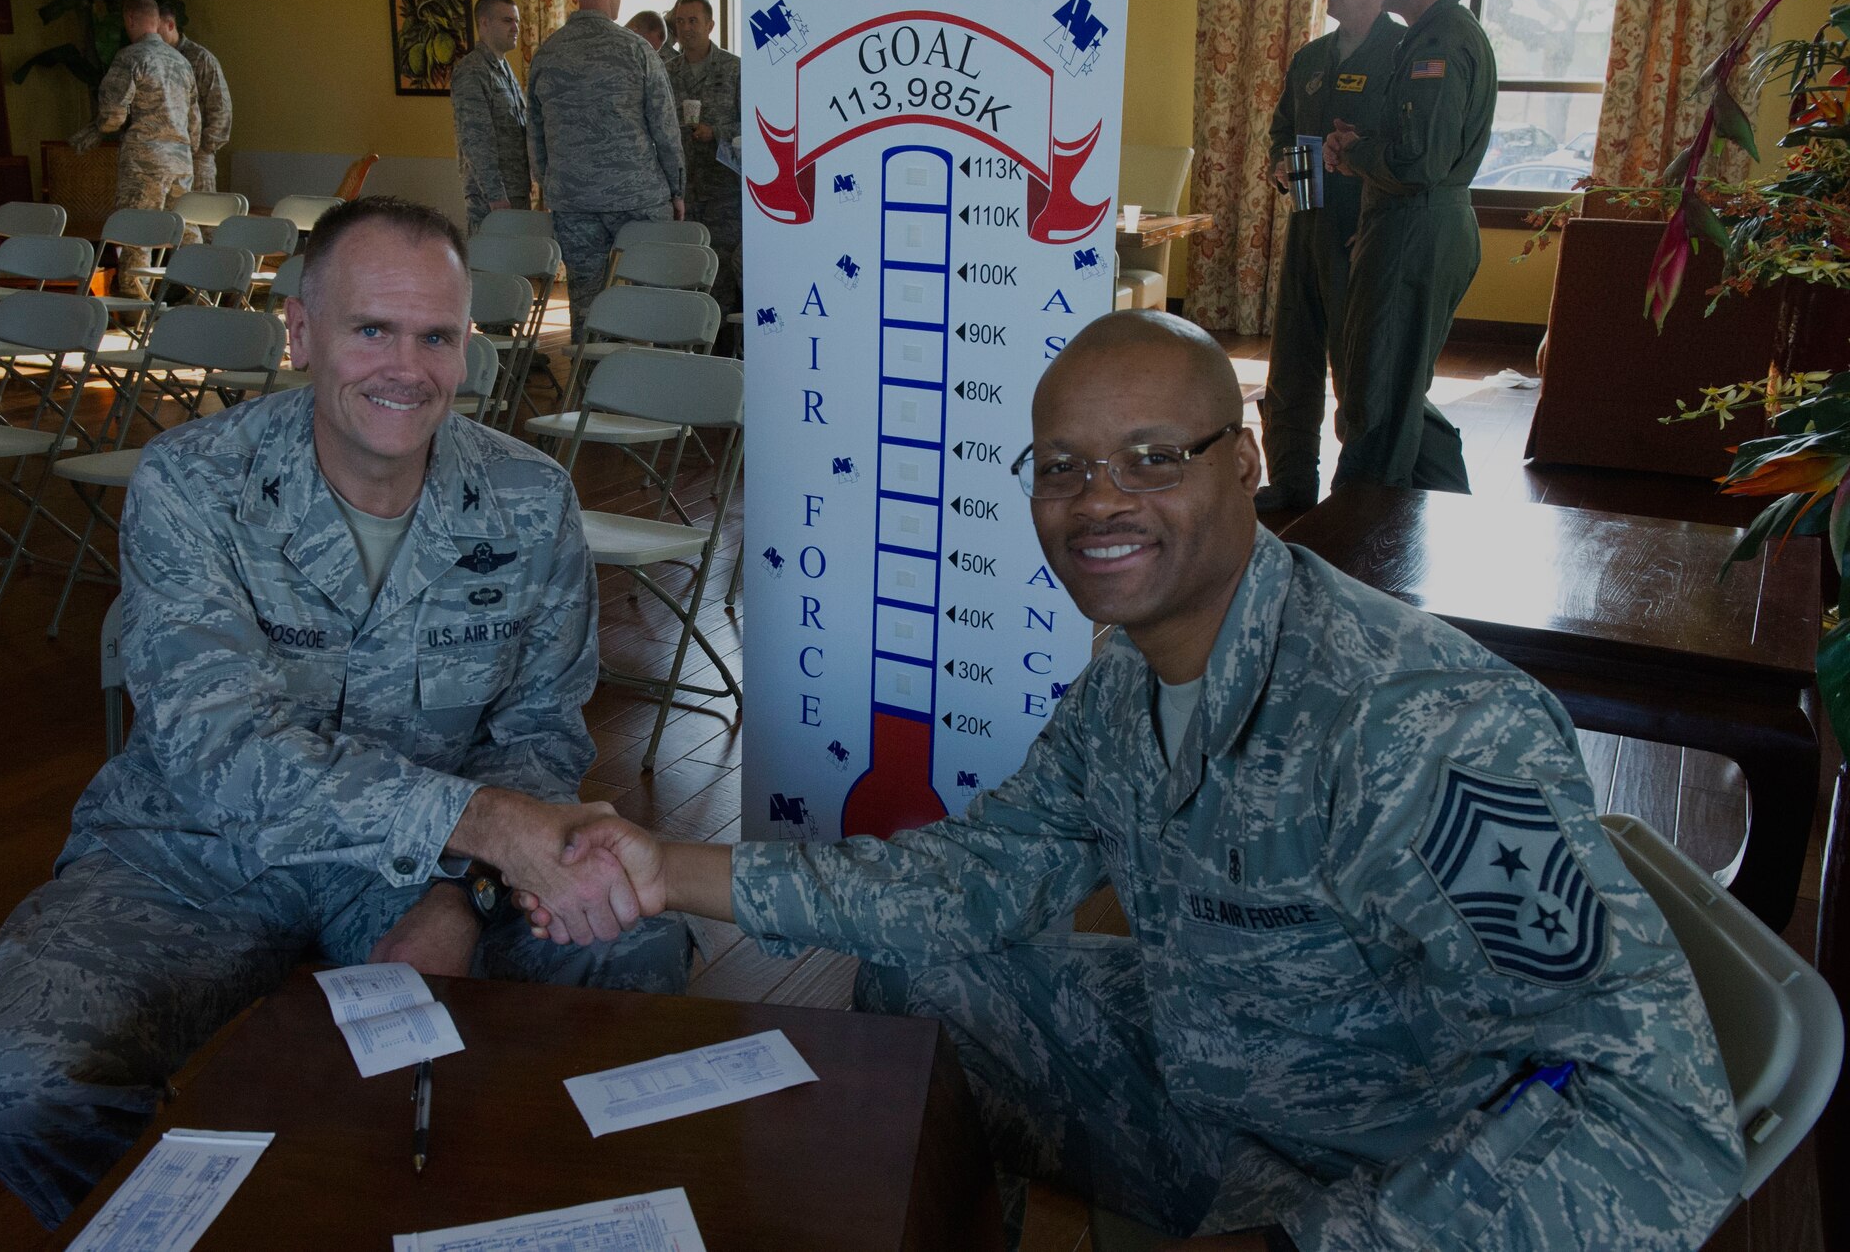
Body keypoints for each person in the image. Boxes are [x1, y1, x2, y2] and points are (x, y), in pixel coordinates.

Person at [527, 311, 1746, 1251]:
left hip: (1365, 1174)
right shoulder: (1124, 683)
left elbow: (1652, 1116)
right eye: (1061, 467)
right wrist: (661, 868)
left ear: (1244, 462)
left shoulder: (1407, 721)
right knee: (918, 970)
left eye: (1150, 458)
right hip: (1202, 1073)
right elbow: (970, 880)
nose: (1098, 501)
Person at [0, 197, 691, 1229]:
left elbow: (539, 733)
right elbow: (225, 754)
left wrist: (460, 898)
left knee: (634, 952)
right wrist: (483, 828)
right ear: (300, 332)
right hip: (190, 856)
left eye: (435, 335)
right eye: (370, 328)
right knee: (14, 1088)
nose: (406, 366)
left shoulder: (527, 498)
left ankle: (493, 1197)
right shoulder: (193, 484)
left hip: (417, 873)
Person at [1324, 0, 1496, 494]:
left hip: (1415, 226)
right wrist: (1365, 143)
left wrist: (1356, 151)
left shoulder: (1440, 43)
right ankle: (1450, 503)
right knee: (1399, 387)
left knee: (1376, 396)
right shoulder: (1429, 33)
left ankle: (1359, 540)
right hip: (1413, 223)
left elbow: (1420, 161)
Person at [1254, 0, 1403, 513]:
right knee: (1291, 359)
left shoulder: (1400, 54)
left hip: (1362, 235)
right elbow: (1282, 131)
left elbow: (1405, 152)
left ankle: (1358, 490)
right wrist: (1277, 167)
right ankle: (1291, 480)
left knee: (1358, 368)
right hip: (1308, 223)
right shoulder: (1311, 59)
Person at [526, 0, 686, 330]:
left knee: (585, 296)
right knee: (650, 291)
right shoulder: (636, 50)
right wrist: (677, 189)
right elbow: (664, 127)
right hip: (637, 198)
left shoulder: (546, 54)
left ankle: (589, 379)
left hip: (573, 199)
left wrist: (552, 183)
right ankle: (644, 374)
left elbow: (534, 133)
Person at [69, 0, 198, 297]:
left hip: (144, 161)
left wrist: (99, 129)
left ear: (129, 18)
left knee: (137, 234)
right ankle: (205, 295)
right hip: (181, 161)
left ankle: (133, 309)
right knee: (187, 232)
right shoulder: (181, 62)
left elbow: (113, 113)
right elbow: (195, 122)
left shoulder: (130, 57)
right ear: (157, 20)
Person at [666, 0, 742, 347]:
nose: (686, 29)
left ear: (710, 25)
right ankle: (687, 350)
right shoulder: (667, 72)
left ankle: (724, 355)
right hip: (683, 192)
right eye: (680, 22)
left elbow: (757, 128)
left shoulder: (735, 69)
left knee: (723, 275)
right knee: (687, 273)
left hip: (725, 192)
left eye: (693, 21)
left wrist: (718, 134)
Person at [451, 0, 532, 235]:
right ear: (484, 23)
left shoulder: (504, 69)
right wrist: (496, 196)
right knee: (493, 269)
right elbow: (476, 139)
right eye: (507, 21)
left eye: (517, 21)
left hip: (516, 191)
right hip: (492, 200)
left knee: (518, 267)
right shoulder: (472, 71)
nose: (516, 28)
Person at [157, 2, 231, 198]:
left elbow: (220, 110)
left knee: (202, 220)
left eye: (157, 30)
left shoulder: (200, 58)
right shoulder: (151, 58)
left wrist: (203, 149)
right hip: (161, 158)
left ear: (170, 25)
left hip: (196, 158)